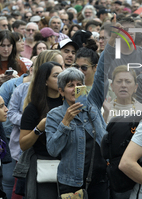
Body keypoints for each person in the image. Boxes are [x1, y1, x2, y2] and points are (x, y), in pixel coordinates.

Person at [46, 52, 109, 199]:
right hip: (71, 183)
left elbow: (101, 75)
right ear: (61, 91)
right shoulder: (54, 115)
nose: (75, 89)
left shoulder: (92, 103)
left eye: (79, 85)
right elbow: (53, 150)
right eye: (70, 85)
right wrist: (65, 122)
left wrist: (111, 43)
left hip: (100, 180)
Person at [19, 61, 63, 198]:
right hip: (43, 166)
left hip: (68, 165)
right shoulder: (33, 108)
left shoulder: (68, 104)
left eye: (63, 75)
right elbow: (23, 144)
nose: (61, 80)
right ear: (44, 80)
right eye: (56, 76)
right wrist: (39, 128)